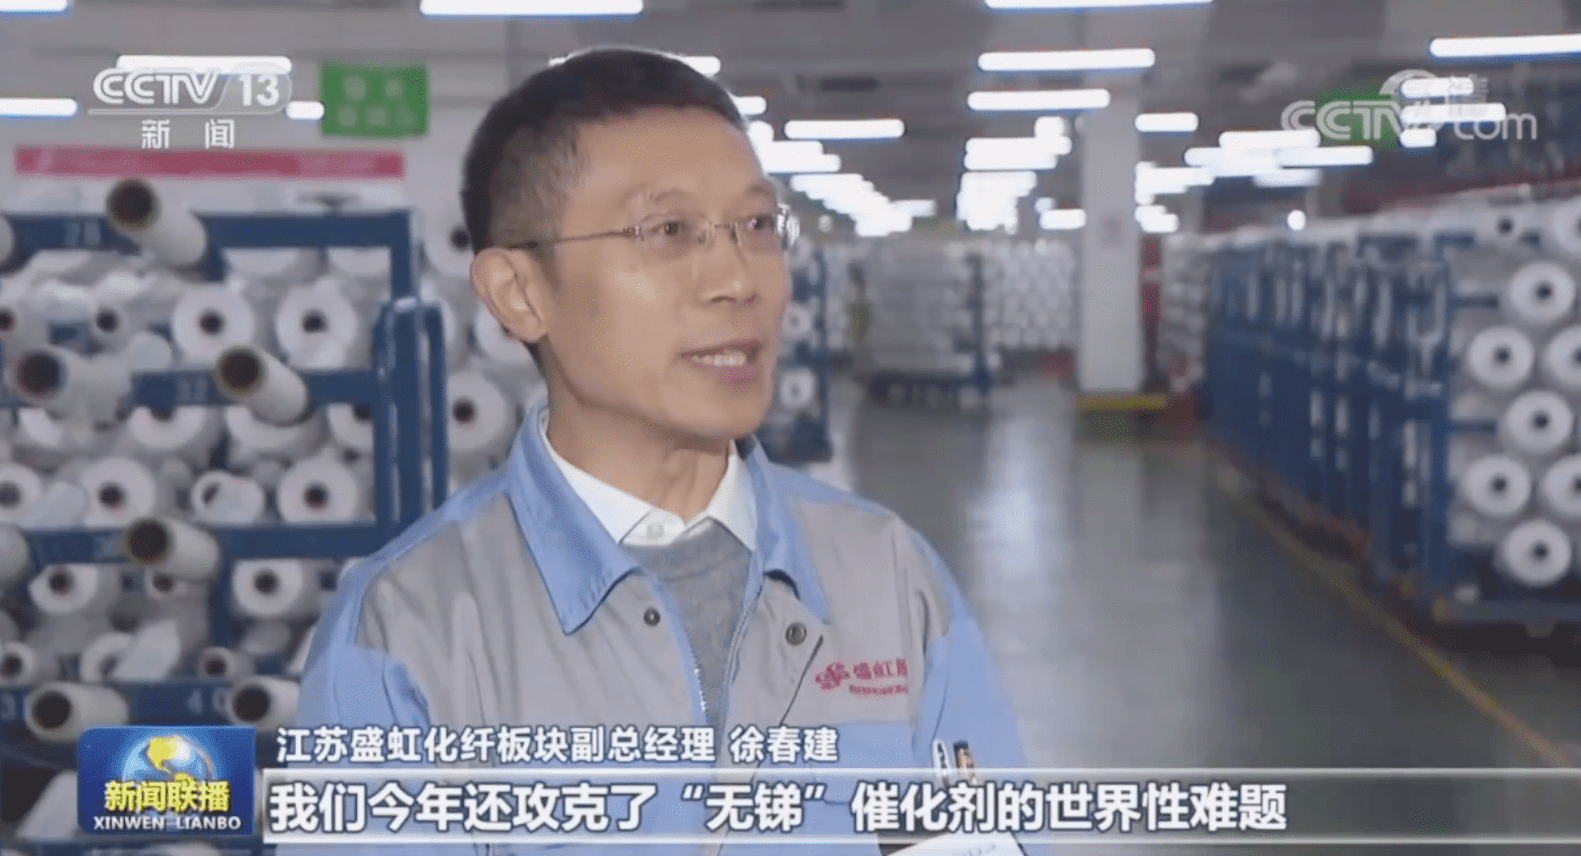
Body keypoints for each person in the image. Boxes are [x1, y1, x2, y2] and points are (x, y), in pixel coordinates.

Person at [284, 46, 1026, 855]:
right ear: (520, 294)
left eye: (756, 226)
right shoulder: (404, 630)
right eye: (668, 231)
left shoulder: (889, 577)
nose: (738, 280)